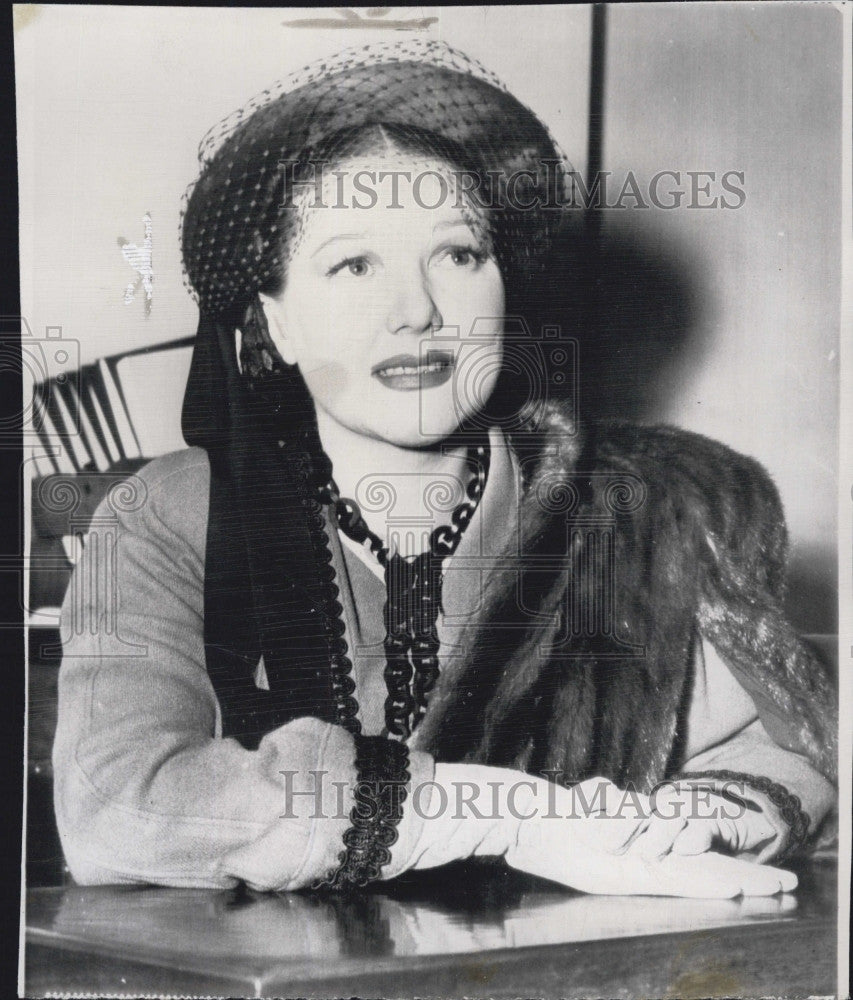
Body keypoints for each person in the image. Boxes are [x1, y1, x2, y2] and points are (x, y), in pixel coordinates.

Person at [53, 38, 836, 897]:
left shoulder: (648, 509)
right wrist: (502, 812)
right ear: (272, 323)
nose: (419, 311)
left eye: (458, 255)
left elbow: (800, 742)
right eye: (353, 264)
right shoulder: (165, 517)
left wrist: (712, 815)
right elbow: (118, 805)